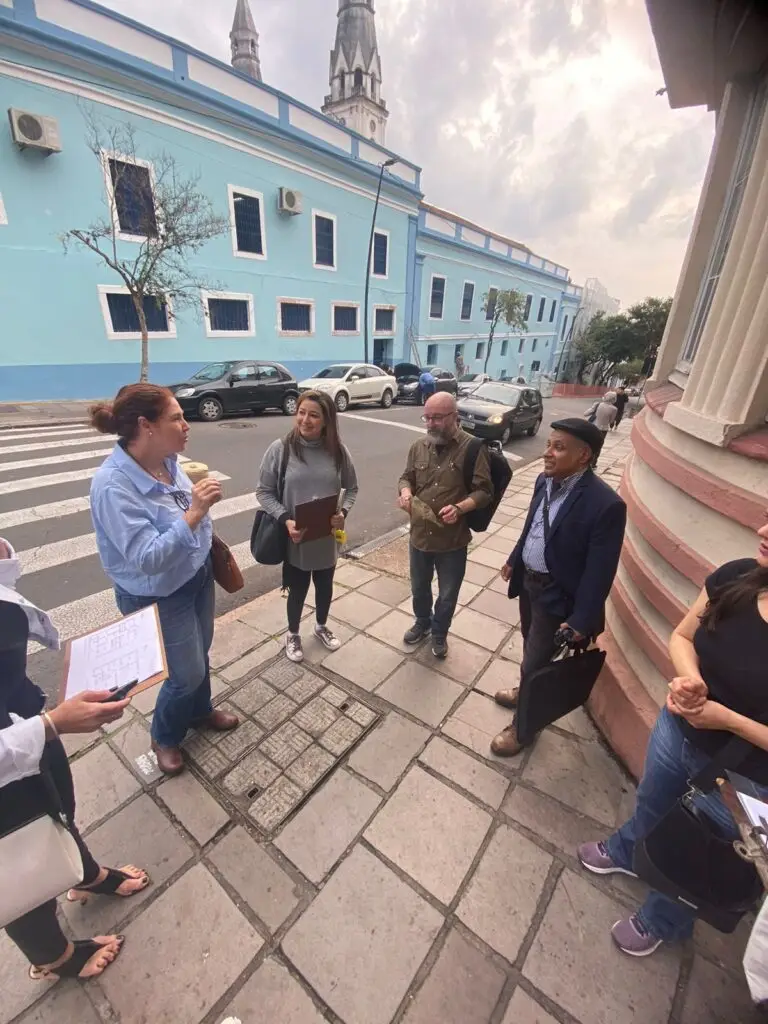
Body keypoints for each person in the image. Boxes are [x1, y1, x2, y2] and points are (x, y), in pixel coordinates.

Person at [578, 512, 768, 957]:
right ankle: (629, 852)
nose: (762, 531)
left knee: (697, 854)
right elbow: (683, 637)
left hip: (743, 775)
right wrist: (690, 682)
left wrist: (727, 720)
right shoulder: (738, 576)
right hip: (677, 730)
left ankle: (663, 920)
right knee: (653, 802)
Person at [1, 537, 148, 982]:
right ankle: (55, 955)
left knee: (58, 813)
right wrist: (52, 725)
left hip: (24, 722)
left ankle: (83, 874)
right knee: (17, 868)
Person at [89, 384, 238, 777]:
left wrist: (205, 533)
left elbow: (184, 514)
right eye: (176, 418)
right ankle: (165, 735)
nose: (186, 425)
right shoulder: (112, 486)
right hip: (158, 593)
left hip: (196, 575)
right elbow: (147, 558)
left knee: (200, 651)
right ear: (146, 426)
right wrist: (195, 511)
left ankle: (200, 711)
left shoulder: (169, 461)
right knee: (184, 673)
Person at [491, 418, 626, 756]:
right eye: (549, 444)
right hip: (529, 584)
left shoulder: (605, 504)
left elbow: (601, 570)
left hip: (557, 594)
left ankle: (524, 728)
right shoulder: (543, 480)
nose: (547, 453)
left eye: (558, 447)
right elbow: (533, 526)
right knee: (530, 646)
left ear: (583, 456)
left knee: (536, 659)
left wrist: (582, 619)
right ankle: (526, 691)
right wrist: (514, 558)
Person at [256, 390, 358, 664]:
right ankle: (292, 633)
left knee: (325, 585)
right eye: (301, 412)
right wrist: (285, 519)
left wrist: (343, 512)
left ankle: (321, 626)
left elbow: (352, 488)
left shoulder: (338, 450)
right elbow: (264, 492)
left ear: (326, 420)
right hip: (296, 537)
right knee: (297, 589)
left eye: (314, 415)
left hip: (326, 537)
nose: (305, 419)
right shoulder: (281, 449)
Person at [398, 392, 494, 659]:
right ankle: (422, 622)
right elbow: (406, 477)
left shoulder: (474, 447)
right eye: (427, 417)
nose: (430, 423)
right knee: (419, 586)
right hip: (420, 535)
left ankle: (440, 633)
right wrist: (406, 492)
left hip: (453, 540)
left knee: (448, 592)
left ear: (455, 417)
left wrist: (461, 507)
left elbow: (484, 490)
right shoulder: (418, 446)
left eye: (437, 418)